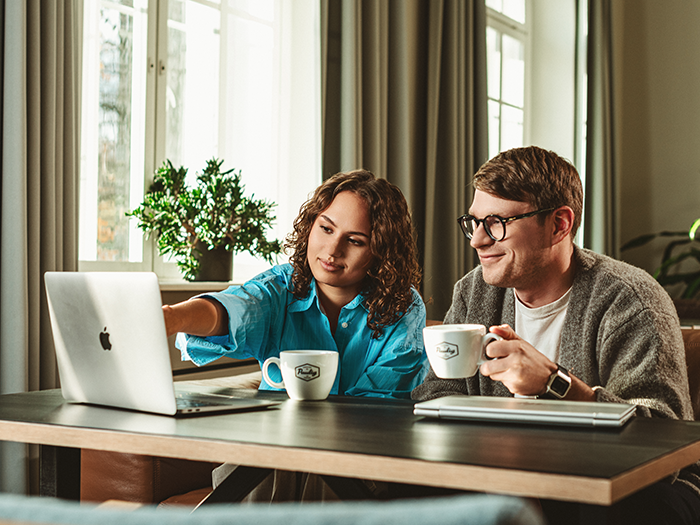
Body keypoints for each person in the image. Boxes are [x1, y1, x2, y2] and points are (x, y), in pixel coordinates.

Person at [412, 146, 700, 524]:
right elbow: (436, 394)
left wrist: (554, 384)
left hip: (635, 488)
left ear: (559, 225)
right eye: (474, 222)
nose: (477, 241)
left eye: (496, 223)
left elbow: (663, 443)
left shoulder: (630, 300)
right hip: (514, 474)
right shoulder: (474, 292)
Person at [164, 168, 428, 398]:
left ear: (382, 253)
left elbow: (379, 404)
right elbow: (235, 310)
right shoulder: (279, 286)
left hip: (362, 448)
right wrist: (174, 317)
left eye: (355, 241)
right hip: (273, 449)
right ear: (310, 225)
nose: (333, 250)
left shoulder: (404, 307)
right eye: (326, 229)